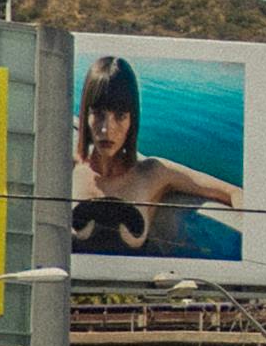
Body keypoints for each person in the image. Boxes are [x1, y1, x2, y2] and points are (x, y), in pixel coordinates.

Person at [64, 52, 248, 257]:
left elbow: (234, 192)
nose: (107, 129)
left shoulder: (152, 173)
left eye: (120, 116)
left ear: (132, 119)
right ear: (85, 115)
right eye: (98, 114)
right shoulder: (66, 167)